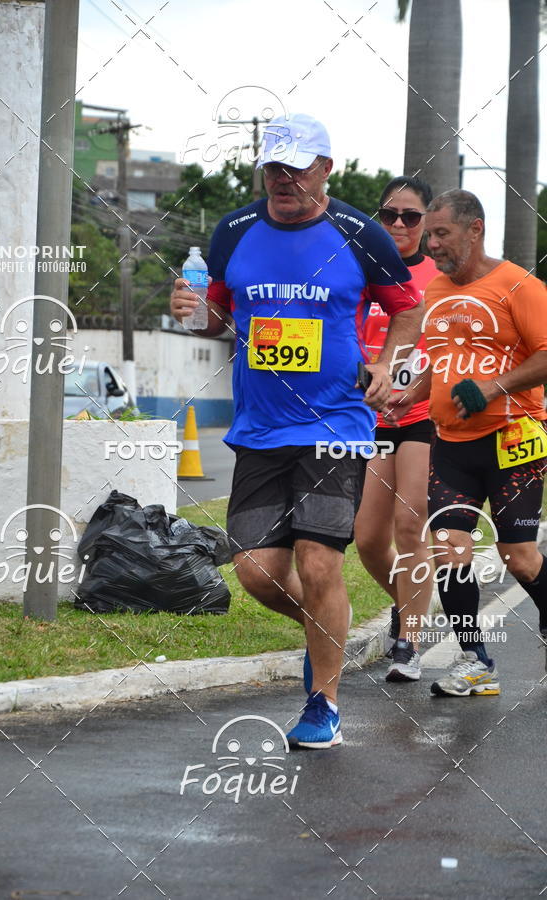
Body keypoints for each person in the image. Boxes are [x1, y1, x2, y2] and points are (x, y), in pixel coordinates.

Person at [171, 113, 424, 748]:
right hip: (259, 427)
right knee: (256, 570)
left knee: (318, 560)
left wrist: (390, 362)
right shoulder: (233, 231)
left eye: (297, 168)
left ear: (325, 170)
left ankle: (324, 703)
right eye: (273, 167)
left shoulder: (360, 233)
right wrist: (192, 313)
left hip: (335, 421)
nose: (283, 180)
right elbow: (218, 320)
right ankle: (326, 632)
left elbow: (407, 308)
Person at [387, 189, 547, 696]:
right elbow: (439, 360)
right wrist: (406, 394)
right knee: (449, 549)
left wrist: (494, 388)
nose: (430, 244)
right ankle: (475, 659)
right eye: (428, 235)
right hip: (451, 444)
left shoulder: (517, 285)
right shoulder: (433, 292)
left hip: (514, 439)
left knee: (518, 555)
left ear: (475, 230)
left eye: (441, 234)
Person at [355, 176, 439, 682]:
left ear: (427, 221)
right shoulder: (364, 270)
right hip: (374, 417)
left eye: (411, 216)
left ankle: (409, 639)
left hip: (424, 417)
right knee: (367, 539)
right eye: (390, 216)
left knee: (411, 527)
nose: (400, 225)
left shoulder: (440, 275)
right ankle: (410, 609)